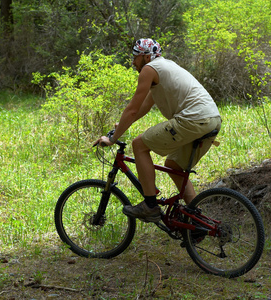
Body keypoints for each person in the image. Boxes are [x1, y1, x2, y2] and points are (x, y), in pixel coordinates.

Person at [94, 38, 221, 223]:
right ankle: (197, 219)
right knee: (173, 166)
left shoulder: (149, 69)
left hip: (193, 118)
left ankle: (150, 205)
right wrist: (120, 127)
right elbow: (143, 108)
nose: (133, 62)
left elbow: (132, 109)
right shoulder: (164, 68)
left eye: (135, 57)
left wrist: (112, 139)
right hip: (212, 120)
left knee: (139, 145)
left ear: (146, 56)